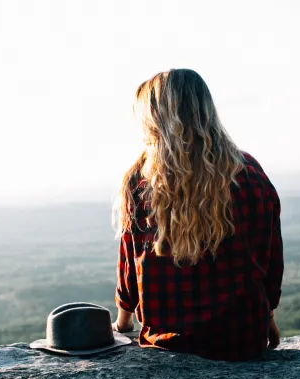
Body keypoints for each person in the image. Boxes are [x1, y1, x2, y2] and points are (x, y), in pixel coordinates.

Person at [112, 68, 283, 361]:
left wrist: (122, 325)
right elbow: (267, 260)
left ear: (153, 120)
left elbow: (131, 269)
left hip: (167, 344)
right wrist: (267, 321)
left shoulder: (141, 180)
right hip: (242, 340)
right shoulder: (249, 173)